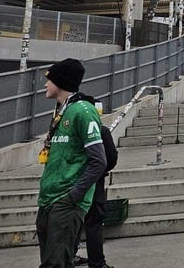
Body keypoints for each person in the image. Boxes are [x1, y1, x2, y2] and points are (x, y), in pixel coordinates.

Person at [36, 59, 107, 268]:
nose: (45, 85)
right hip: (49, 198)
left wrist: (74, 196)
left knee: (54, 263)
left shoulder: (83, 111)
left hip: (66, 200)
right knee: (53, 261)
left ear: (60, 82)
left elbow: (99, 160)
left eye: (48, 80)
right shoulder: (62, 110)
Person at [72, 96, 118, 268]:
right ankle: (97, 263)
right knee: (94, 222)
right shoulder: (100, 130)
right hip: (95, 183)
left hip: (71, 182)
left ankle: (68, 256)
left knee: (72, 222)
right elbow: (111, 158)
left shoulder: (69, 131)